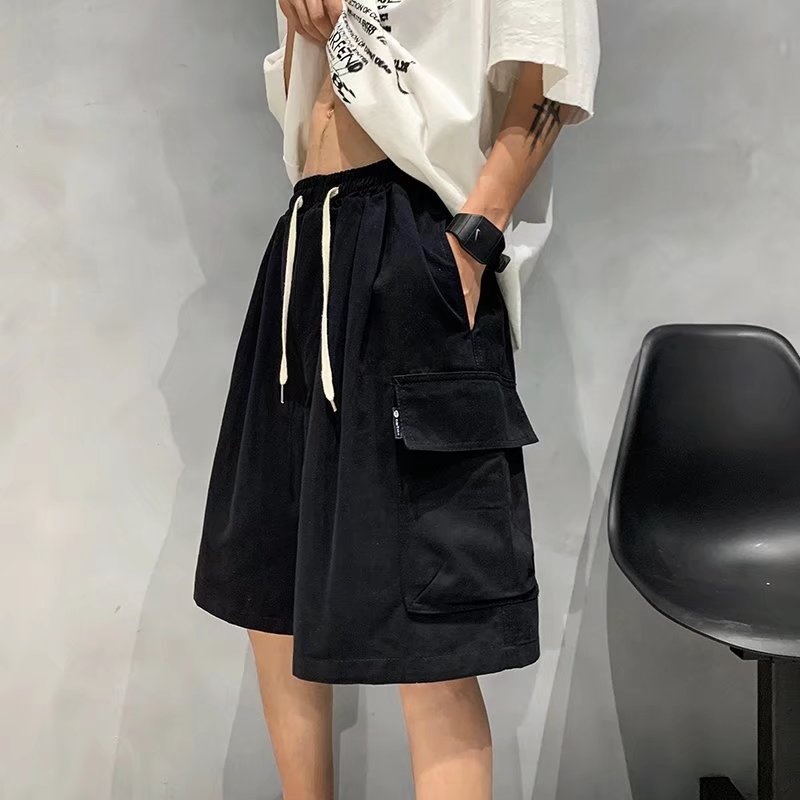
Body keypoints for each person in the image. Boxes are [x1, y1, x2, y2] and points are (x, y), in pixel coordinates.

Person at [193, 0, 599, 797]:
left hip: (417, 234)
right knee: (273, 584)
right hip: (307, 232)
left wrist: (472, 242)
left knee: (434, 623)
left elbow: (548, 67)